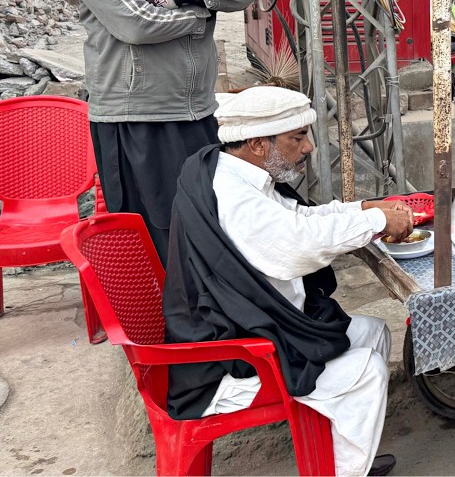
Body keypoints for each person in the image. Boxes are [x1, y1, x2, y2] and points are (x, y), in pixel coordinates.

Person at [163, 86, 414, 477]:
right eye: (297, 137)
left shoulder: (237, 171)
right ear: (260, 144)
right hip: (234, 357)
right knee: (366, 370)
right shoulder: (235, 197)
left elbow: (301, 218)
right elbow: (299, 245)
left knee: (374, 333)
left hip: (265, 329)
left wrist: (365, 208)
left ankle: (338, 460)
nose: (310, 147)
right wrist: (378, 221)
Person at [65, 0, 255, 264]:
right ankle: (169, 328)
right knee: (160, 237)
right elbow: (134, 22)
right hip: (139, 117)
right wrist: (207, 9)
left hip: (197, 111)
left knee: (207, 226)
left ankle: (211, 324)